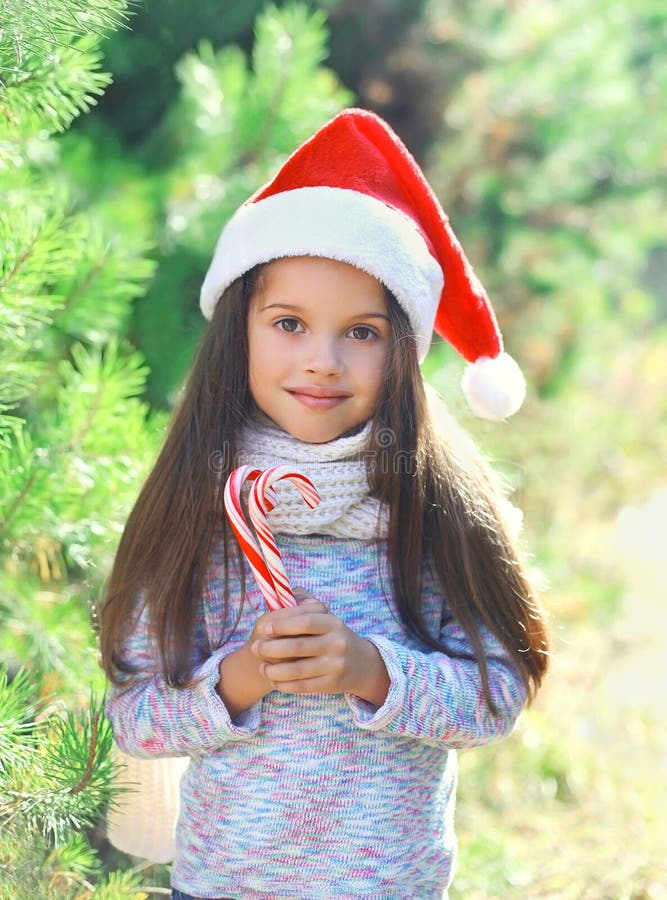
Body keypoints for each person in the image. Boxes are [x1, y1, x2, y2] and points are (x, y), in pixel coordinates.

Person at [100, 108, 549, 900]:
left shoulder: (433, 511)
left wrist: (370, 669)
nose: (322, 360)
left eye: (363, 333)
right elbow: (136, 716)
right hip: (220, 886)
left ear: (405, 350)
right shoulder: (196, 512)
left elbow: (495, 696)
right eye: (289, 323)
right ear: (239, 331)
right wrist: (238, 678)